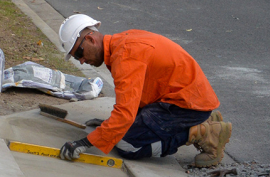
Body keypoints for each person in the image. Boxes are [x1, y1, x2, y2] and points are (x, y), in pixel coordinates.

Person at [56, 14, 231, 167]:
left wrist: (85, 142)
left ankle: (203, 132)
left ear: (90, 39)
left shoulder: (125, 56)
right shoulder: (122, 42)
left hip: (187, 106)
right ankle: (202, 120)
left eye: (79, 54)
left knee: (127, 145)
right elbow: (133, 101)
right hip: (186, 99)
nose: (81, 60)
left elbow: (125, 114)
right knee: (120, 131)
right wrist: (109, 127)